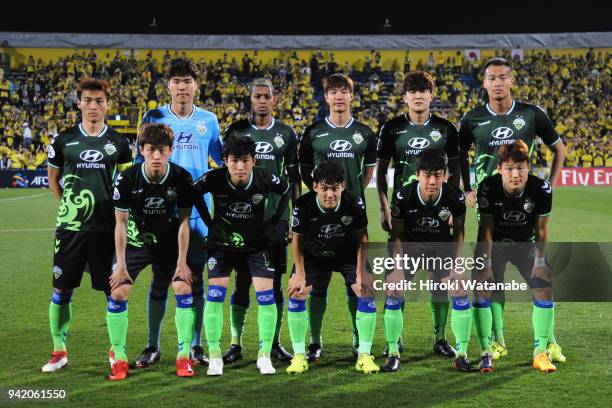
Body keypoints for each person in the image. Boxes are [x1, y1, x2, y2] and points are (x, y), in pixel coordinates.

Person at [459, 58, 566, 363]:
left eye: (502, 77)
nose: (497, 82)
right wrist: (468, 187)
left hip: (526, 207)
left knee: (540, 275)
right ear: (484, 83)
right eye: (491, 77)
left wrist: (552, 184)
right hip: (490, 209)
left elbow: (559, 148)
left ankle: (549, 342)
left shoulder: (531, 114)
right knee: (492, 277)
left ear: (512, 81)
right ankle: (497, 340)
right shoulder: (473, 118)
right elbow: (458, 153)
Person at [136, 57, 223, 367]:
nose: (182, 87)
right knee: (160, 280)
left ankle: (196, 346)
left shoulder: (209, 121)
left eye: (188, 81)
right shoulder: (153, 116)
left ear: (195, 86)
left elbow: (221, 163)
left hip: (198, 216)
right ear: (169, 85)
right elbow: (138, 164)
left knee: (195, 280)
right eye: (177, 81)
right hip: (161, 215)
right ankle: (152, 345)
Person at [43, 77, 132, 372]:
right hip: (71, 230)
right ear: (79, 103)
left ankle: (116, 351)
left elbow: (126, 186)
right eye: (88, 101)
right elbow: (53, 180)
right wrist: (70, 209)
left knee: (114, 291)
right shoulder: (63, 140)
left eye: (99, 101)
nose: (93, 106)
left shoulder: (119, 143)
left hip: (108, 231)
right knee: (61, 290)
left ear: (107, 104)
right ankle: (59, 351)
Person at [192, 135, 290, 376]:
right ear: (224, 160)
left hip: (256, 246)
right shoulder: (213, 178)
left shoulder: (265, 177)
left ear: (254, 161)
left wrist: (274, 222)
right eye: (235, 160)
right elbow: (193, 193)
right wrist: (209, 222)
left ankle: (264, 355)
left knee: (266, 295)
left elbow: (287, 189)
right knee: (215, 296)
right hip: (223, 247)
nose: (240, 167)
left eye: (245, 161)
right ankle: (215, 356)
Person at [107, 123, 196, 380]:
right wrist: (121, 265)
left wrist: (181, 262)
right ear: (141, 150)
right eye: (151, 149)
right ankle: (120, 360)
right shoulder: (127, 179)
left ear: (171, 150)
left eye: (162, 150)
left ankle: (183, 358)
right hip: (136, 243)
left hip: (168, 244)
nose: (156, 155)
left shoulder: (182, 178)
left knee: (183, 286)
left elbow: (183, 222)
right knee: (119, 289)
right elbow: (120, 224)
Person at [298, 73, 377, 361]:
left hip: (352, 220)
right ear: (327, 97)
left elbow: (367, 174)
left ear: (351, 97)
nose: (339, 96)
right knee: (316, 285)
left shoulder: (366, 134)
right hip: (319, 221)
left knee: (356, 282)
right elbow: (305, 171)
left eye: (344, 91)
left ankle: (358, 340)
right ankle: (315, 341)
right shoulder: (313, 133)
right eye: (334, 92)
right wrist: (322, 195)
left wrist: (351, 194)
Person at [222, 78, 301, 364]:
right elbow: (224, 176)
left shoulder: (286, 134)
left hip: (275, 220)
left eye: (267, 96)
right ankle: (235, 343)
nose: (263, 101)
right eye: (258, 96)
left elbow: (294, 179)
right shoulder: (236, 131)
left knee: (274, 282)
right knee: (241, 281)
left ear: (274, 100)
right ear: (250, 99)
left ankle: (274, 342)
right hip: (240, 219)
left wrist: (293, 214)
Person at [286, 161, 377, 374]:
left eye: (334, 188)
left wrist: (360, 271)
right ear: (315, 186)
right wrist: (299, 273)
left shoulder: (354, 203)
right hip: (313, 255)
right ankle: (303, 352)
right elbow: (297, 239)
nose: (329, 194)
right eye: (325, 188)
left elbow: (363, 236)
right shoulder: (302, 204)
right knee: (297, 293)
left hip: (346, 254)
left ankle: (363, 353)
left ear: (343, 186)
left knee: (367, 291)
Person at [477, 140, 559, 372]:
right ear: (500, 168)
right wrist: (486, 264)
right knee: (486, 286)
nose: (516, 174)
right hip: (497, 245)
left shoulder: (541, 189)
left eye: (521, 167)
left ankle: (540, 352)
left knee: (544, 286)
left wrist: (541, 262)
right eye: (510, 168)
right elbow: (486, 230)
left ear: (528, 168)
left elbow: (541, 230)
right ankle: (496, 343)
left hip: (526, 245)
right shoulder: (488, 187)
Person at [386, 150, 470, 372]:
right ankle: (393, 349)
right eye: (427, 175)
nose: (432, 181)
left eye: (438, 175)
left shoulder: (455, 196)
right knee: (394, 289)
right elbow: (396, 235)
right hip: (408, 247)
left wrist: (455, 264)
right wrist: (397, 267)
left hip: (440, 247)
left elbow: (459, 230)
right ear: (418, 174)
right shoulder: (404, 196)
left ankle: (446, 343)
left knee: (457, 288)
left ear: (445, 174)